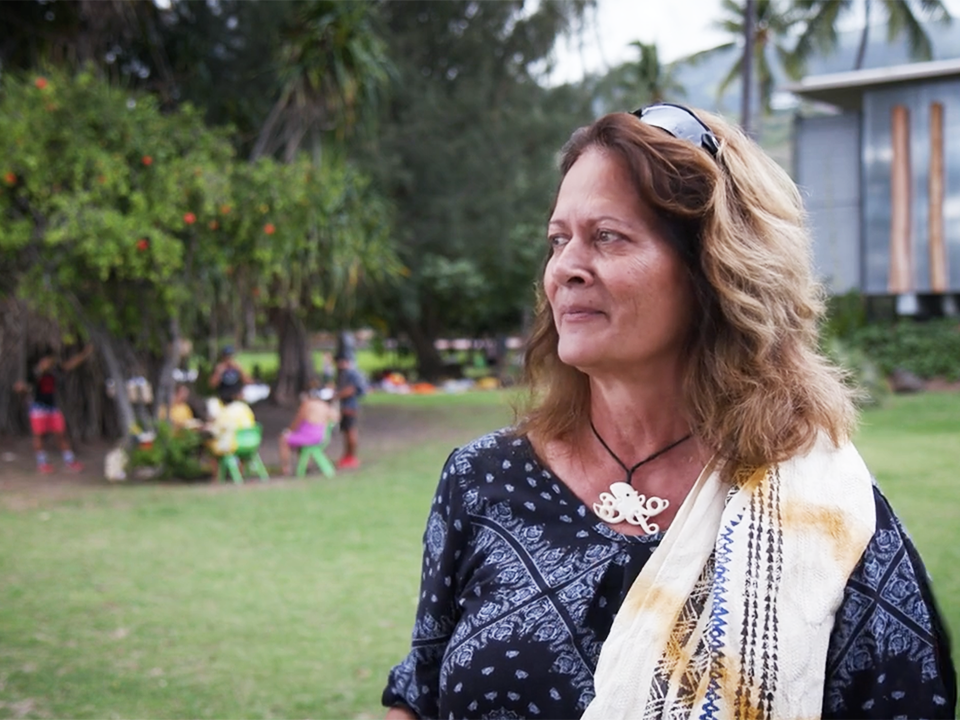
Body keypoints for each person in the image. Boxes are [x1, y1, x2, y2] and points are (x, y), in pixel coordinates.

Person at [382, 104, 956, 719]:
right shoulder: (483, 480)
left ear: (713, 268)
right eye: (559, 240)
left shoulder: (821, 512)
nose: (566, 269)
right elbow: (419, 692)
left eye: (607, 236)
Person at [14, 344, 94, 473]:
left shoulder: (54, 371)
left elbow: (70, 365)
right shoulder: (34, 373)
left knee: (61, 433)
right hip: (38, 408)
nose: (48, 363)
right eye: (47, 361)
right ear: (41, 361)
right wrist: (21, 388)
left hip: (52, 408)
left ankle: (70, 461)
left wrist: (85, 354)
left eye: (50, 361)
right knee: (39, 435)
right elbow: (25, 387)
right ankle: (42, 463)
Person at [278, 382, 340, 476]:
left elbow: (297, 421)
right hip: (322, 437)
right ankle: (305, 464)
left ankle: (285, 468)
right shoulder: (326, 406)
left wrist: (289, 430)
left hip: (310, 437)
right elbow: (335, 418)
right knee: (299, 440)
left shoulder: (307, 405)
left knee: (284, 439)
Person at [334, 349, 366, 470]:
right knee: (347, 433)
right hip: (346, 407)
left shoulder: (350, 373)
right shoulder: (344, 373)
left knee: (351, 432)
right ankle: (347, 456)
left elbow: (350, 390)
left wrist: (336, 396)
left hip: (350, 407)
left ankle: (352, 457)